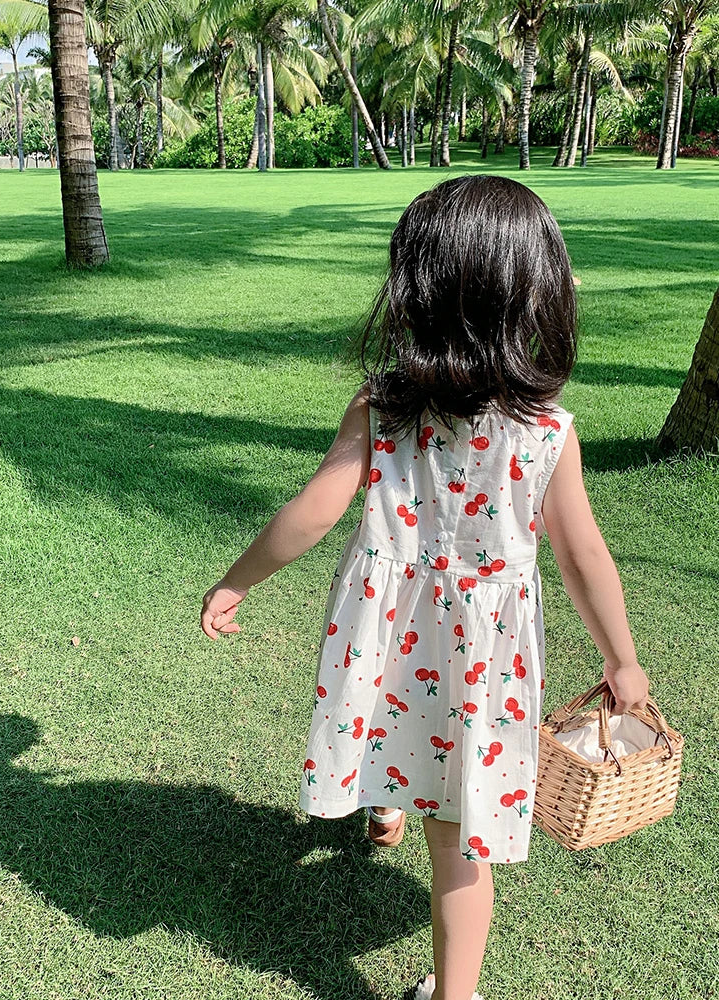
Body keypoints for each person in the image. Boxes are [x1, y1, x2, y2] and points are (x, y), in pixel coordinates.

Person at [200, 175, 650, 1000]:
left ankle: (384, 803)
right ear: (534, 300)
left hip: (388, 636)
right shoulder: (545, 432)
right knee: (458, 838)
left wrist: (237, 582)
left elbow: (313, 511)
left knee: (387, 720)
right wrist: (621, 659)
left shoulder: (383, 407)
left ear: (419, 293)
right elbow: (584, 556)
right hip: (483, 658)